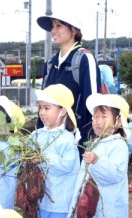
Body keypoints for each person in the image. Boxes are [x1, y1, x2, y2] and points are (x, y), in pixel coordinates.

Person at [69, 94, 129, 218]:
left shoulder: (119, 145)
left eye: (104, 116)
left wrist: (97, 160)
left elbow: (114, 175)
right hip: (89, 208)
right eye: (95, 116)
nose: (98, 121)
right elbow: (83, 176)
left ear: (118, 122)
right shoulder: (94, 143)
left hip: (107, 209)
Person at [32, 84, 80, 218]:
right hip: (41, 199)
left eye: (47, 108)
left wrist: (44, 158)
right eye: (40, 108)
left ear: (62, 112)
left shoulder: (67, 139)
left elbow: (66, 166)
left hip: (60, 199)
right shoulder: (37, 134)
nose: (42, 113)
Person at [36, 12, 101, 148]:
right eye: (52, 27)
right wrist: (39, 133)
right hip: (51, 138)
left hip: (77, 139)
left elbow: (93, 102)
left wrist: (88, 140)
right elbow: (44, 103)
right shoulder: (50, 63)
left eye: (58, 26)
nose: (53, 31)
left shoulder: (84, 58)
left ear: (73, 30)